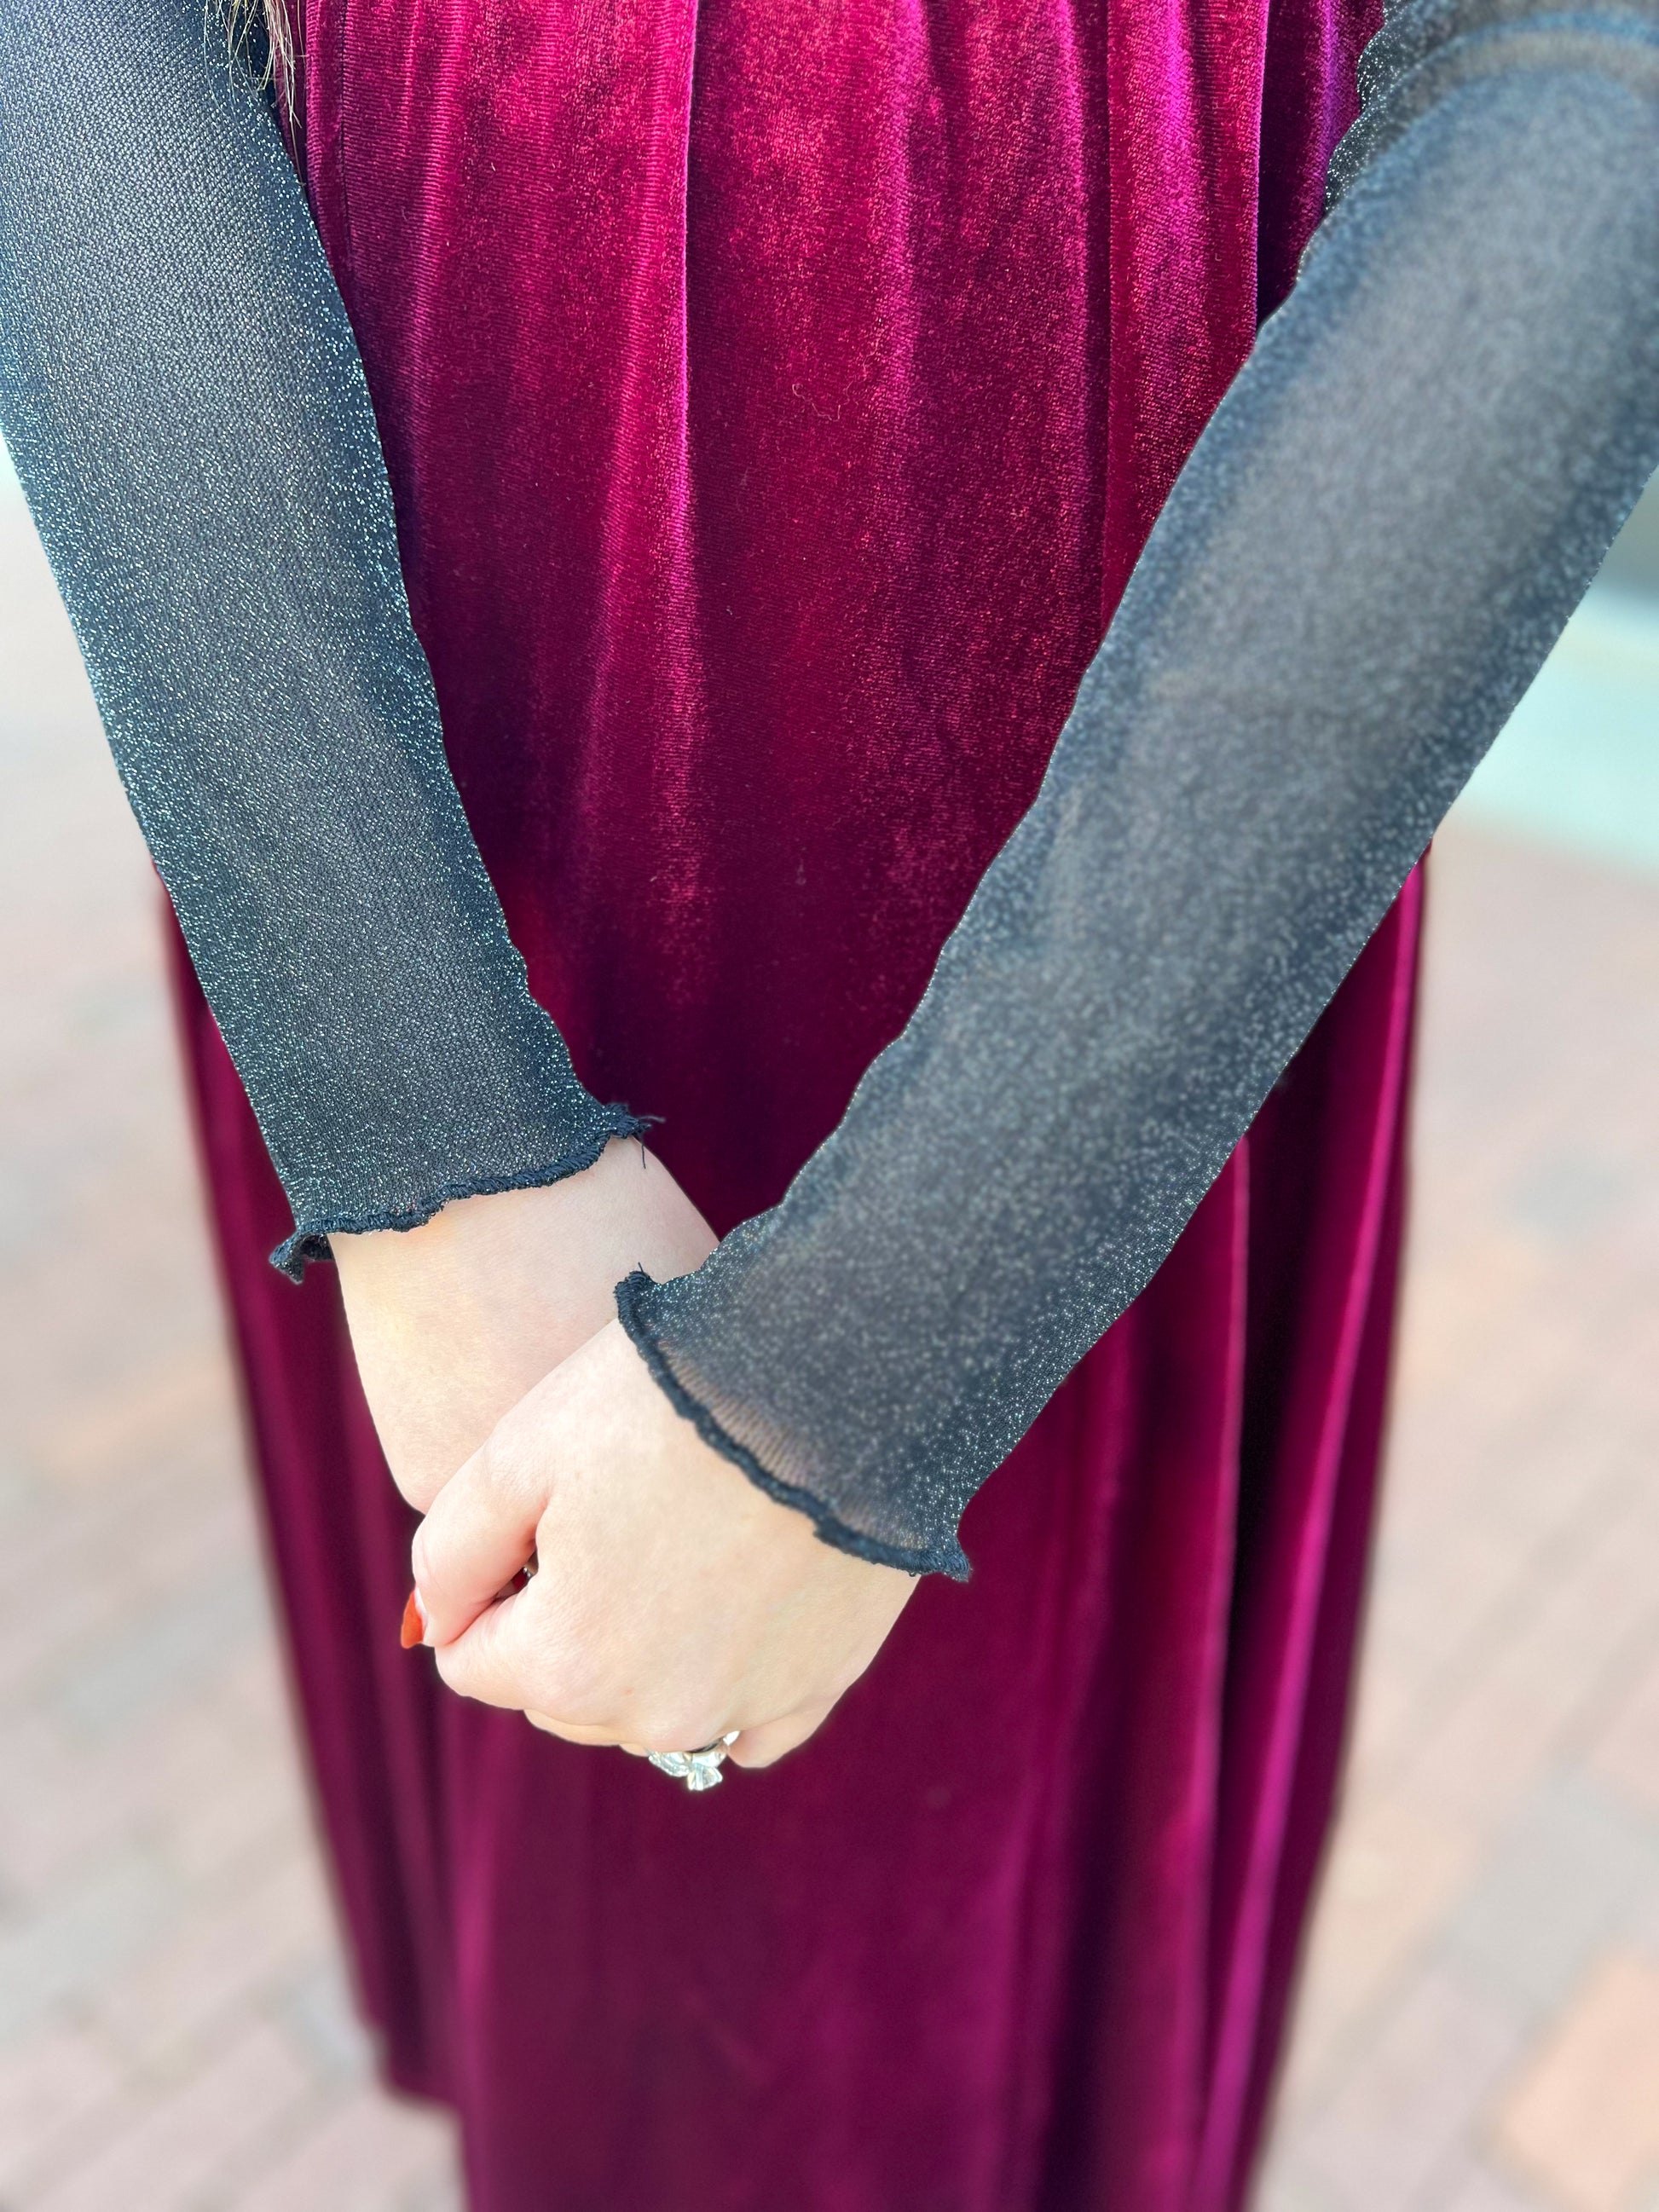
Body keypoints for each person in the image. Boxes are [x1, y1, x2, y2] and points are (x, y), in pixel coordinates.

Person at [2, 0, 1655, 2202]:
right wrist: (410, 1113)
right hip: (391, 678)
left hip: (1122, 686)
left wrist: (870, 1350)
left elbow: (1578, 76)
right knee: (563, 1826)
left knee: (904, 1946)